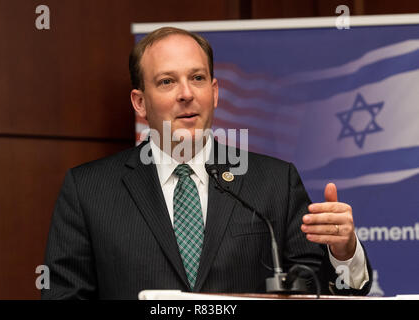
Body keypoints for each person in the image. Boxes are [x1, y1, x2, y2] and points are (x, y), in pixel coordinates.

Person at [42, 27, 372, 299]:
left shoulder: (275, 182)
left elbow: (316, 289)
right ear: (140, 102)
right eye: (167, 81)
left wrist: (343, 253)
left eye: (197, 78)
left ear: (214, 92)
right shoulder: (88, 191)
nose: (186, 93)